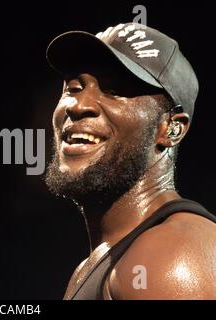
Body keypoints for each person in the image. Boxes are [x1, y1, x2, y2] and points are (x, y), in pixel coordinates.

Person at [45, 22, 216, 299]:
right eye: (74, 88)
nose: (79, 105)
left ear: (171, 128)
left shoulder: (170, 255)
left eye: (114, 90)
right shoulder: (104, 262)